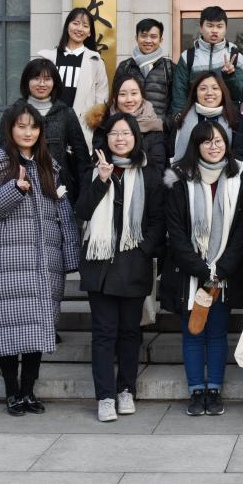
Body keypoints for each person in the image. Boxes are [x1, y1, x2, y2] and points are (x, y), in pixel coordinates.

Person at [0, 101, 80, 417]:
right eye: (21, 126)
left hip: (44, 263)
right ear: (10, 129)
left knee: (37, 331)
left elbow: (64, 213)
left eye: (33, 126)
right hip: (6, 263)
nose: (28, 132)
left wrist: (70, 257)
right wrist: (14, 190)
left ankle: (28, 391)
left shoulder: (49, 166)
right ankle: (12, 393)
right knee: (8, 329)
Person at [75, 112, 166, 423]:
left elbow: (158, 220)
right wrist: (101, 180)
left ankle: (126, 389)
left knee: (130, 333)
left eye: (126, 133)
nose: (120, 138)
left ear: (136, 138)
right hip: (99, 265)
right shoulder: (94, 171)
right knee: (103, 334)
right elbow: (82, 211)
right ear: (107, 138)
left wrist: (144, 249)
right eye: (115, 133)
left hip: (133, 265)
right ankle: (104, 396)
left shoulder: (149, 174)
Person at [162, 121, 243, 417]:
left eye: (219, 141)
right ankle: (195, 390)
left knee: (217, 332)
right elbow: (175, 231)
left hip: (224, 272)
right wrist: (201, 269)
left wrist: (221, 268)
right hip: (189, 273)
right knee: (192, 331)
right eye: (206, 141)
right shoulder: (179, 179)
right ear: (195, 146)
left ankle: (213, 389)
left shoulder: (241, 176)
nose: (214, 146)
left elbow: (242, 230)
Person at [5, 58, 91, 204]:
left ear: (54, 82)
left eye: (47, 79)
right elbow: (2, 151)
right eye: (36, 78)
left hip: (60, 189)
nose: (42, 84)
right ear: (26, 81)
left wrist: (84, 197)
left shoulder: (66, 113)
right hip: (22, 187)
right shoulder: (12, 113)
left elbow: (82, 158)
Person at [38, 8, 109, 149]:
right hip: (49, 126)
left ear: (90, 32)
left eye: (85, 25)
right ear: (67, 26)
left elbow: (101, 97)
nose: (80, 29)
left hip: (82, 129)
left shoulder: (95, 61)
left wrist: (93, 123)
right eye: (75, 23)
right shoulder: (48, 58)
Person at [171, 6, 243, 114]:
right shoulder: (188, 57)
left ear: (226, 28)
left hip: (228, 118)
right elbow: (179, 94)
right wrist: (179, 118)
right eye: (210, 26)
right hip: (195, 118)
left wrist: (230, 77)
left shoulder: (235, 56)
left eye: (219, 26)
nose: (214, 31)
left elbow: (241, 93)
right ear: (201, 28)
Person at [90, 73, 170, 175]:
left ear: (142, 96)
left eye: (134, 93)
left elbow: (158, 168)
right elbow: (99, 160)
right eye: (123, 94)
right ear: (115, 97)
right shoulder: (103, 123)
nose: (129, 99)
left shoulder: (154, 125)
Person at [113, 18, 175, 120]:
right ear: (136, 38)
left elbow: (175, 102)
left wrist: (167, 124)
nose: (148, 40)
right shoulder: (125, 66)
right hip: (129, 126)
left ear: (161, 40)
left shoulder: (169, 67)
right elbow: (115, 98)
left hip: (158, 127)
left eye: (153, 37)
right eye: (143, 36)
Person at [172, 71, 239, 163]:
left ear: (223, 92)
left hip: (226, 170)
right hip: (187, 170)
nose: (209, 93)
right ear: (196, 93)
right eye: (203, 89)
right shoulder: (181, 119)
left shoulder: (236, 121)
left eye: (215, 88)